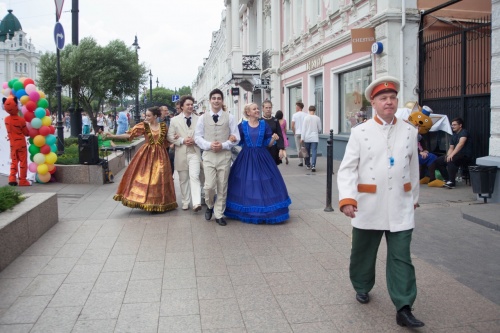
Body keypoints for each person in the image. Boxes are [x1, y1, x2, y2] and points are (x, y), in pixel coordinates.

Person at [337, 76, 425, 328]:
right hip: (367, 203)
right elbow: (347, 169)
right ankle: (362, 285)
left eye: (392, 97)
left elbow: (413, 167)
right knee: (363, 253)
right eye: (383, 98)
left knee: (401, 257)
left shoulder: (409, 130)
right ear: (373, 103)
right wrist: (347, 199)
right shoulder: (359, 132)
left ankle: (404, 306)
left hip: (400, 203)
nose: (389, 102)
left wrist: (414, 197)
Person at [225, 103, 291, 224]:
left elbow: (267, 143)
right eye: (254, 109)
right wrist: (231, 138)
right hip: (246, 157)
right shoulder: (242, 126)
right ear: (248, 112)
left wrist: (273, 139)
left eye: (257, 108)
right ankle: (246, 210)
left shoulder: (263, 124)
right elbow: (236, 137)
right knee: (247, 182)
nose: (257, 110)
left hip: (262, 157)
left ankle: (265, 210)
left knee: (264, 181)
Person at [106, 106, 177, 213]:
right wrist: (113, 136)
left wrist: (174, 140)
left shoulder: (163, 126)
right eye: (146, 115)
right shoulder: (143, 126)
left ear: (155, 116)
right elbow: (130, 134)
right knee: (146, 177)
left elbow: (167, 139)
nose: (146, 117)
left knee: (159, 178)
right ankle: (148, 201)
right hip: (147, 155)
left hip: (161, 155)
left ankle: (159, 202)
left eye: (149, 115)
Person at [194, 88, 240, 226]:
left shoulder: (230, 117)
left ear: (222, 100)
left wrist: (224, 144)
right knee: (209, 186)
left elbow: (236, 137)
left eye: (218, 98)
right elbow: (197, 137)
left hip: (224, 156)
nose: (216, 100)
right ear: (210, 101)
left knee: (222, 186)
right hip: (208, 155)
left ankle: (219, 213)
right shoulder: (203, 118)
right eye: (213, 98)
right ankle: (209, 205)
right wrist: (208, 145)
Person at [167, 96, 202, 212]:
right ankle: (185, 201)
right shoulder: (174, 120)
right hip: (181, 152)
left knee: (194, 176)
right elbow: (170, 136)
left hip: (194, 152)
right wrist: (182, 140)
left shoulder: (199, 119)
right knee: (183, 179)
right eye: (188, 104)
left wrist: (195, 140)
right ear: (182, 107)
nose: (190, 106)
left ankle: (196, 202)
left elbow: (203, 134)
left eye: (192, 104)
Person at [428, 117, 472, 189]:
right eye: (452, 125)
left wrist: (451, 155)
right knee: (438, 161)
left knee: (451, 159)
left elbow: (461, 144)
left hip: (465, 155)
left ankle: (452, 182)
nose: (452, 127)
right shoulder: (454, 135)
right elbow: (451, 148)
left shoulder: (464, 132)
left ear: (460, 125)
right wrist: (448, 155)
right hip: (456, 155)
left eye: (454, 125)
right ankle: (447, 179)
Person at [260, 100, 285, 165]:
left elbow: (280, 134)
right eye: (266, 108)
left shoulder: (275, 120)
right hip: (263, 148)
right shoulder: (259, 121)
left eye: (270, 107)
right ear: (263, 109)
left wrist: (281, 148)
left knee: (273, 167)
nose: (268, 109)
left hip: (274, 149)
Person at [301, 105, 322, 172]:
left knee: (307, 151)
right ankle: (313, 165)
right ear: (315, 111)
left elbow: (303, 129)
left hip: (307, 137)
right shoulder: (317, 118)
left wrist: (302, 138)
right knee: (314, 151)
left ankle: (307, 164)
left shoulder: (306, 118)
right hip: (315, 137)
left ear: (309, 110)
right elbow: (320, 129)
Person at [291, 102, 306, 166]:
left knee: (298, 147)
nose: (295, 108)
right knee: (304, 147)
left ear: (298, 107)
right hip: (304, 133)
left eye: (296, 106)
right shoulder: (306, 115)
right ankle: (306, 161)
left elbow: (292, 125)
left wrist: (294, 132)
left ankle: (300, 161)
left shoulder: (294, 115)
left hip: (297, 133)